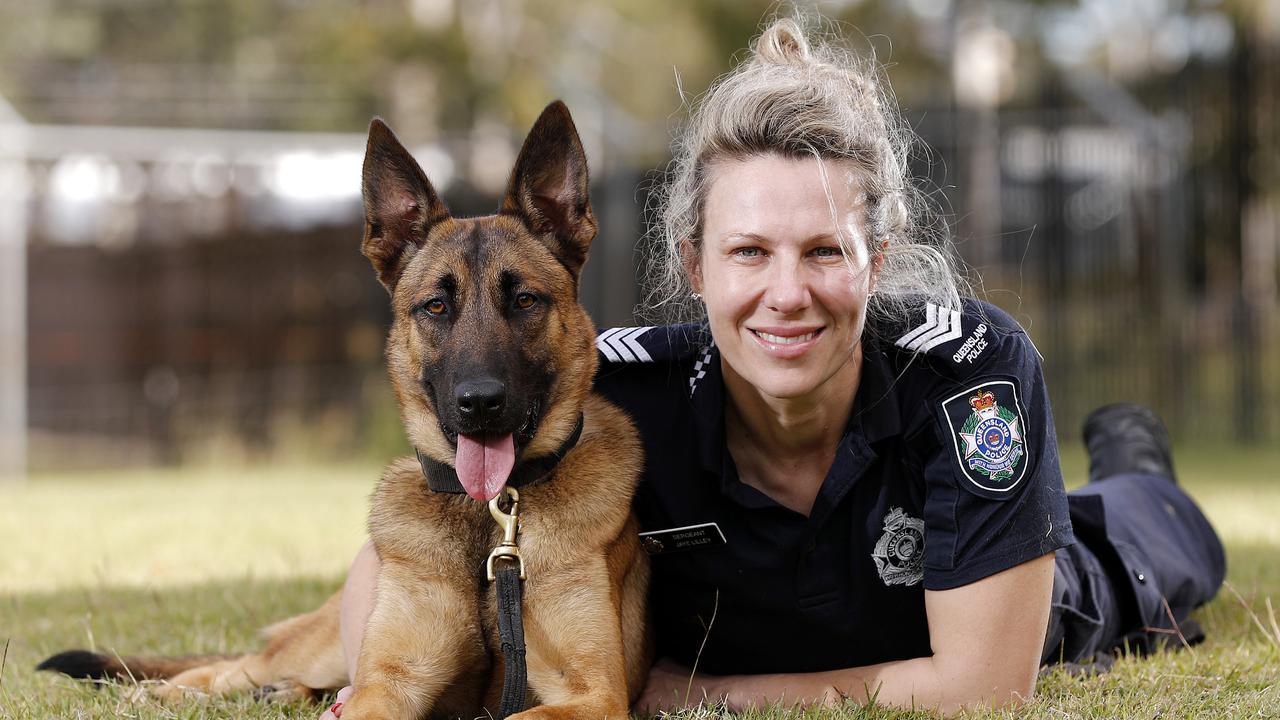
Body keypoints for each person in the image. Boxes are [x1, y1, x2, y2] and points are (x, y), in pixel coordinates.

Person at [321, 14, 1225, 718]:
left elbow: (985, 686)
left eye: (824, 252)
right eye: (749, 252)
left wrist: (695, 695)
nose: (787, 293)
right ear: (694, 264)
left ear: (879, 255)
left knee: (1154, 525)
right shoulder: (611, 395)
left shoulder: (972, 375)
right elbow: (410, 546)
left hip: (1084, 576)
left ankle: (1138, 462)